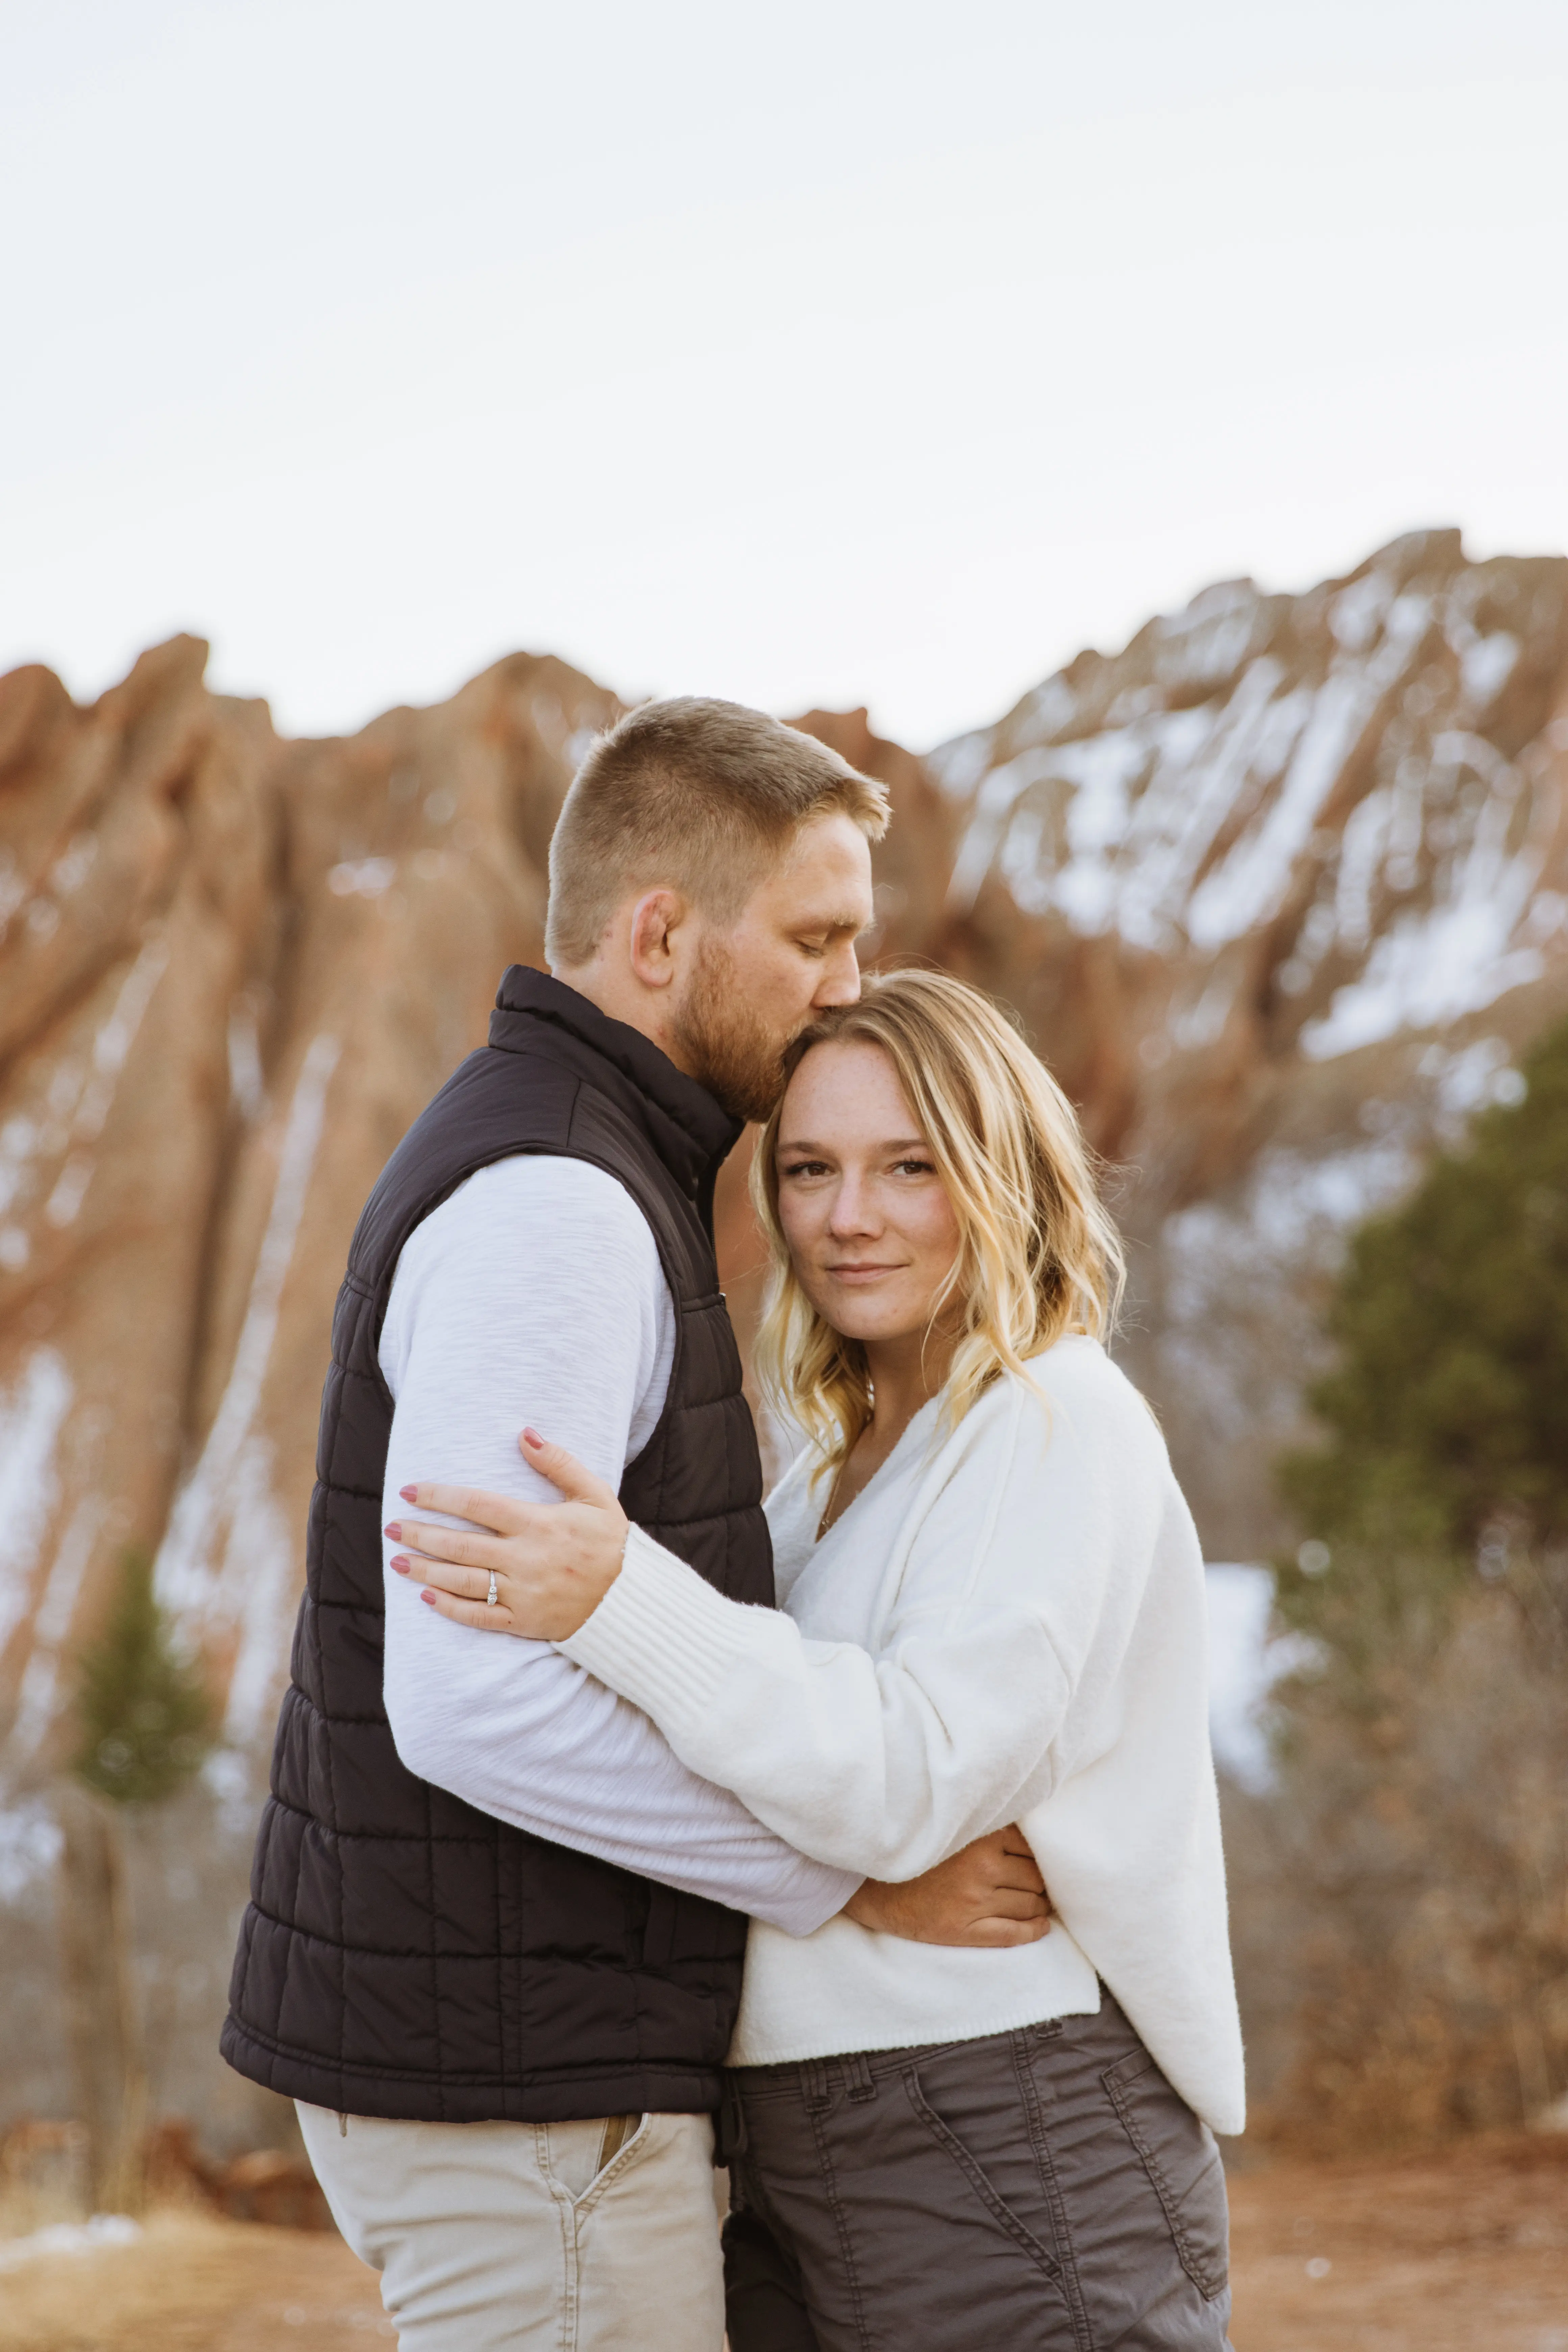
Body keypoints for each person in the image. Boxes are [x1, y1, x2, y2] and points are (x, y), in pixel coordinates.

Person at [221, 703, 1052, 2352]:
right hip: (527, 2095)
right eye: (814, 936)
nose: (844, 983)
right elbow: (472, 1702)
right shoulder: (560, 1206)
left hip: (516, 2064)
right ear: (660, 931)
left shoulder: (581, 1158)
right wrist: (845, 1883)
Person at [394, 966, 1246, 2351]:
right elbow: (803, 1793)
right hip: (814, 2134)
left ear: (998, 1173)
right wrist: (853, 1891)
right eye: (807, 1169)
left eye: (907, 1166)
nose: (847, 1218)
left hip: (998, 2120)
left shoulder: (1053, 1418)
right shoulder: (823, 1480)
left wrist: (620, 1596)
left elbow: (908, 1780)